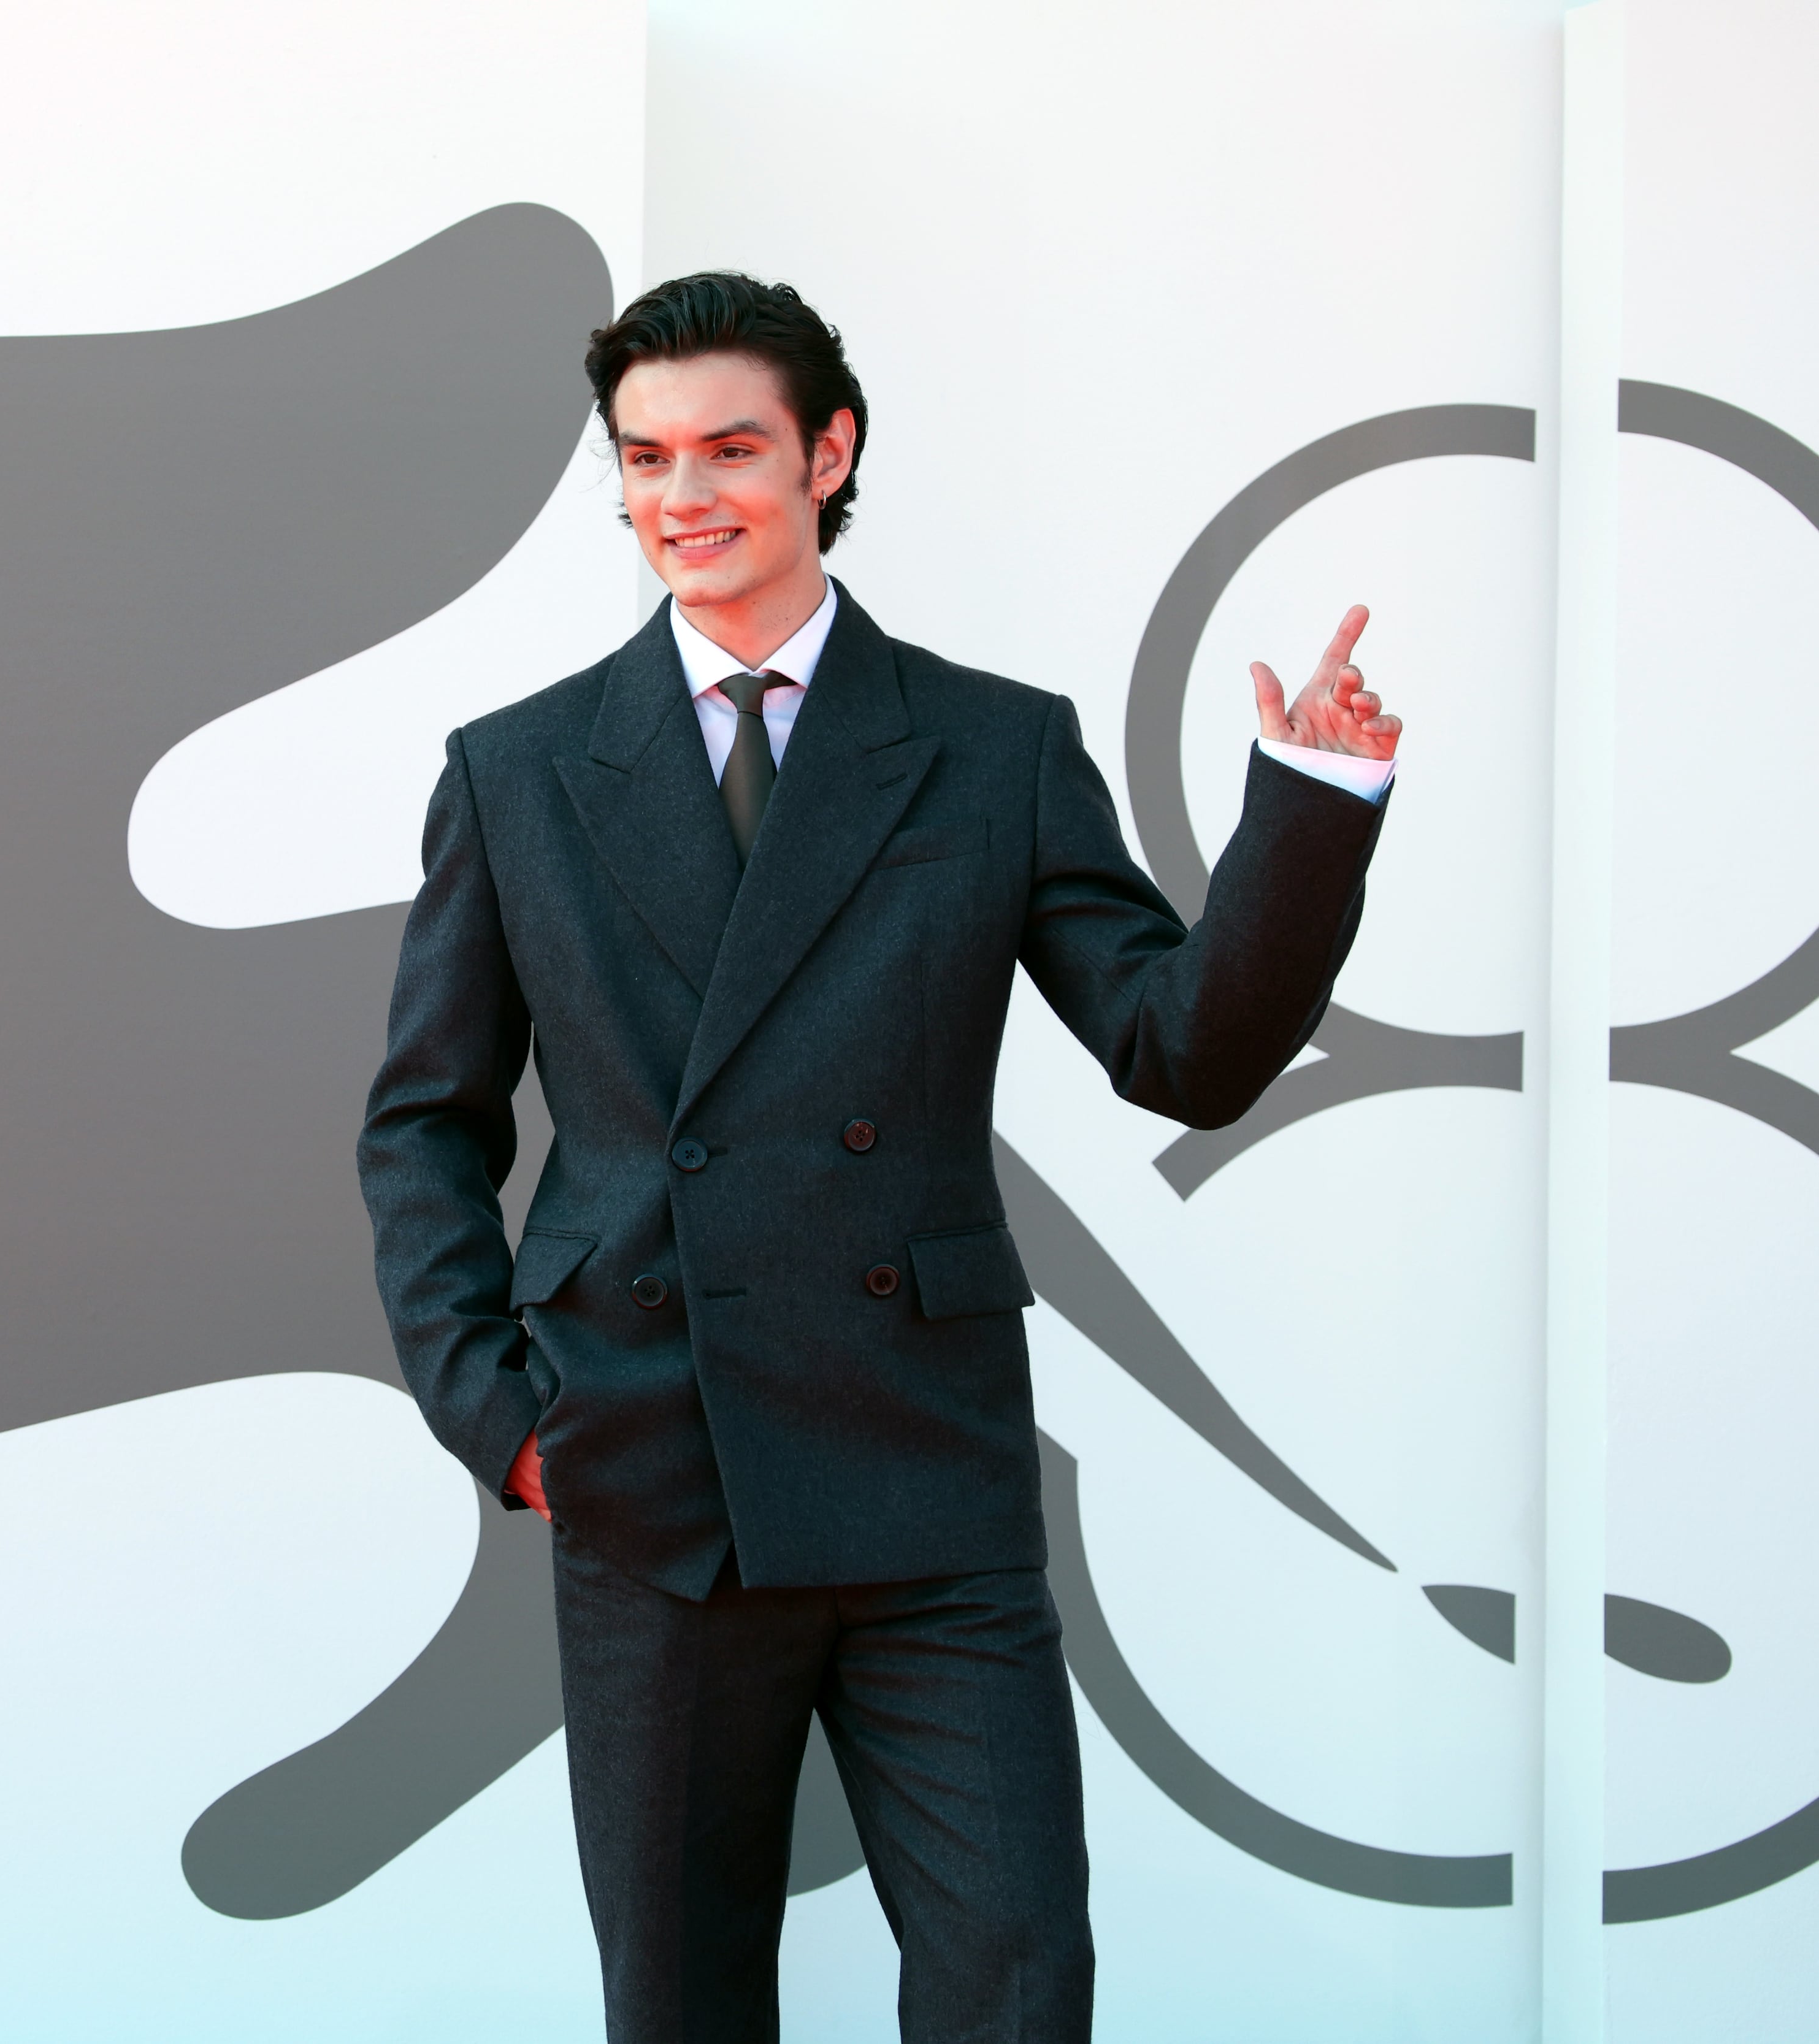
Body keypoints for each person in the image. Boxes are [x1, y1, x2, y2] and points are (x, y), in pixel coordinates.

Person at [354, 271, 1401, 2044]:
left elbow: (1185, 1050)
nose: (682, 495)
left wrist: (1309, 811)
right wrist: (508, 1428)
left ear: (828, 455)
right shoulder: (522, 771)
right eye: (645, 457)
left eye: (731, 449)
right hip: (647, 1467)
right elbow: (425, 1129)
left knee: (1014, 1980)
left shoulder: (990, 750)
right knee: (682, 2006)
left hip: (928, 1477)